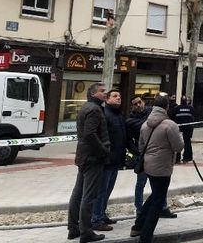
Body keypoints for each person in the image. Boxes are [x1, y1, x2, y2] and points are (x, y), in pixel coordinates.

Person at [130, 94, 184, 243]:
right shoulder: (170, 125)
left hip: (148, 165)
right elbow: (178, 147)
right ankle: (145, 236)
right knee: (158, 201)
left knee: (156, 195)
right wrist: (180, 136)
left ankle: (138, 226)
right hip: (163, 166)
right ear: (166, 107)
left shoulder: (145, 124)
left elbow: (141, 146)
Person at [67, 82, 110, 242]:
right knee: (88, 196)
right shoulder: (94, 109)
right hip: (92, 158)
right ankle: (86, 232)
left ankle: (73, 228)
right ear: (93, 94)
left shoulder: (86, 107)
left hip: (83, 156)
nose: (105, 94)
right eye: (102, 91)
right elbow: (90, 134)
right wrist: (103, 151)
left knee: (78, 193)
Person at [126, 97, 175, 219]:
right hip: (143, 155)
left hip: (157, 155)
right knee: (141, 183)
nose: (138, 105)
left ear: (143, 102)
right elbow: (128, 141)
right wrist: (137, 152)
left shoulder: (152, 113)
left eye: (139, 102)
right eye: (135, 104)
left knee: (159, 185)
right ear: (132, 106)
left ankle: (162, 207)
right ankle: (139, 208)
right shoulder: (130, 121)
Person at [91, 89, 126, 231]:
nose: (118, 98)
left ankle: (102, 214)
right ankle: (96, 218)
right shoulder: (105, 114)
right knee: (101, 191)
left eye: (119, 96)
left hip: (116, 159)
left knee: (108, 189)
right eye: (115, 96)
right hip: (106, 160)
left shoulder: (119, 114)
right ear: (107, 99)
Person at [174, 96, 195, 163]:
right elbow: (194, 117)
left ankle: (177, 158)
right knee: (187, 142)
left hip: (178, 128)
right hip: (187, 128)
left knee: (178, 143)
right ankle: (187, 157)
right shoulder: (190, 108)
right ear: (186, 101)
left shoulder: (177, 108)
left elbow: (173, 117)